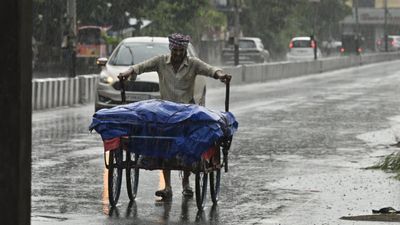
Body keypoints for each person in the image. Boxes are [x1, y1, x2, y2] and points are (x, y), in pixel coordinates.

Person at [118, 33, 231, 200]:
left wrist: (221, 75)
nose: (178, 53)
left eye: (181, 50)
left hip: (187, 111)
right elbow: (141, 67)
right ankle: (167, 187)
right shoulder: (160, 61)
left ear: (185, 50)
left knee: (187, 147)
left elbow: (210, 70)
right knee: (165, 146)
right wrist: (128, 72)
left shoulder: (193, 64)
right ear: (171, 48)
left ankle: (186, 184)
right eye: (175, 50)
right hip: (165, 112)